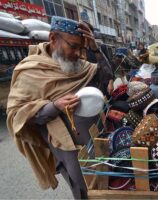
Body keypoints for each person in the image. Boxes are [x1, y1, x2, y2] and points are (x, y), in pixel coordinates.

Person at [6, 16, 113, 199]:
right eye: (73, 46)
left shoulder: (80, 66)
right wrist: (54, 106)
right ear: (53, 38)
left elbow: (106, 81)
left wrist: (95, 48)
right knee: (85, 189)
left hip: (99, 136)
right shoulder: (30, 71)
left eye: (82, 48)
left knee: (110, 183)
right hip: (67, 148)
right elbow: (17, 115)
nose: (79, 54)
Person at [82, 21, 114, 96]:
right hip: (87, 90)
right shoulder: (76, 51)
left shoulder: (100, 47)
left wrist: (111, 82)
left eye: (87, 32)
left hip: (102, 84)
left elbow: (109, 65)